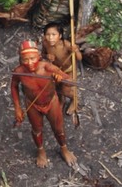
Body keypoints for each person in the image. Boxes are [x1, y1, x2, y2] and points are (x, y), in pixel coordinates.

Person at [11, 39, 75, 168]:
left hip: (51, 102)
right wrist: (17, 107)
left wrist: (60, 78)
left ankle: (64, 148)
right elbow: (14, 87)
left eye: (33, 59)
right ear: (21, 59)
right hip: (32, 104)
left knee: (58, 128)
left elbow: (70, 81)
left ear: (39, 57)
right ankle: (41, 151)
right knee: (36, 130)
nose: (29, 63)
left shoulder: (47, 67)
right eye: (25, 60)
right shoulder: (18, 71)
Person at [42, 22, 81, 117]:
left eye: (53, 35)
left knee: (66, 90)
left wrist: (75, 51)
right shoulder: (45, 43)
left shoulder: (66, 45)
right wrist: (47, 56)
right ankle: (61, 101)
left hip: (69, 70)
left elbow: (79, 58)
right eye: (48, 34)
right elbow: (42, 54)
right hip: (56, 70)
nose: (50, 38)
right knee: (57, 87)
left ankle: (75, 100)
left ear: (60, 36)